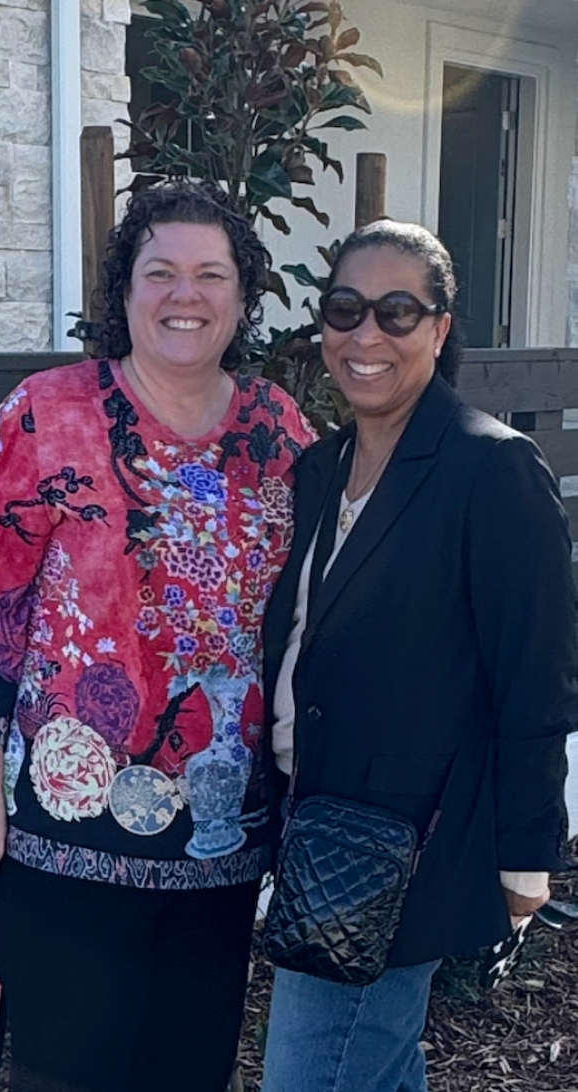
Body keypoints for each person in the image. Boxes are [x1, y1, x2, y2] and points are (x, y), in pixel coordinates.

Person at [0, 180, 316, 1092]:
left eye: (211, 274)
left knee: (188, 1068)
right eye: (161, 272)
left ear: (242, 295)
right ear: (125, 292)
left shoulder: (278, 429)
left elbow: (308, 612)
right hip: (65, 829)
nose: (186, 294)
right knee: (72, 1067)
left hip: (220, 839)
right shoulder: (42, 415)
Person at [260, 219, 578, 1092]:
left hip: (407, 845)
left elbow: (535, 677)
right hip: (316, 825)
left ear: (440, 329)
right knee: (375, 1067)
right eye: (346, 308)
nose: (367, 336)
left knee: (315, 1076)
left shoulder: (491, 468)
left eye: (398, 312)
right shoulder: (322, 470)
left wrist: (527, 852)